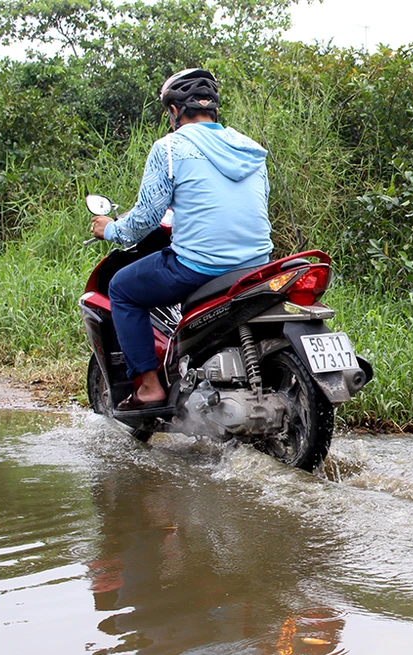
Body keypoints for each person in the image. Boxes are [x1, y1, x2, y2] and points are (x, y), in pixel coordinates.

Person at [91, 68, 273, 410]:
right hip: (257, 267)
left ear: (174, 111)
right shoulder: (250, 150)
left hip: (199, 268)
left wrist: (110, 229)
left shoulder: (170, 149)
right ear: (214, 109)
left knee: (122, 289)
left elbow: (144, 219)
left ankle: (148, 388)